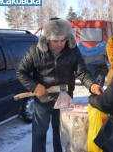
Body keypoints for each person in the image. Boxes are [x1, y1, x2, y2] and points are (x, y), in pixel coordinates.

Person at [16, 18, 104, 152]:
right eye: (55, 41)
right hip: (43, 98)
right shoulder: (35, 51)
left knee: (63, 133)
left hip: (64, 97)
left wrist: (92, 85)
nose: (59, 44)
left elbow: (83, 72)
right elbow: (21, 72)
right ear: (47, 39)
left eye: (62, 40)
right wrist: (35, 86)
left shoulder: (73, 50)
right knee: (39, 133)